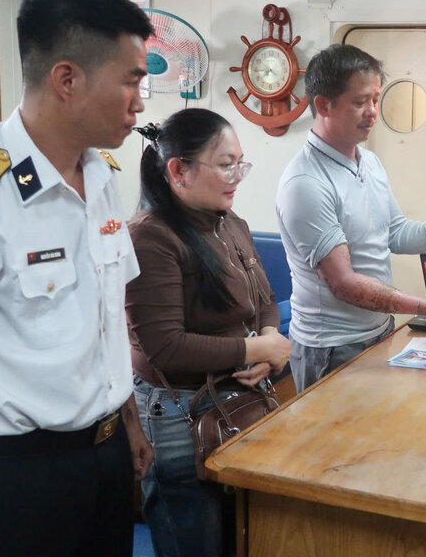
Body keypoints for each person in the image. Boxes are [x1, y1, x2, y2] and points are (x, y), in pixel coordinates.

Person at [0, 0, 153, 557]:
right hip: (16, 476)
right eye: (131, 81)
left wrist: (128, 422)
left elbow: (107, 316)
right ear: (67, 79)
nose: (140, 102)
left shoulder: (102, 175)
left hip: (106, 458)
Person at [126, 108, 291, 557]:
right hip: (180, 414)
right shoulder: (150, 237)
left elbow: (265, 300)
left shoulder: (230, 223)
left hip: (235, 403)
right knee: (193, 541)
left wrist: (265, 344)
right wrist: (259, 347)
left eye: (240, 164)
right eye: (224, 164)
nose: (236, 176)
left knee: (242, 538)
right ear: (178, 170)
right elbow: (166, 348)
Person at [276, 44, 426, 393]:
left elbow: (396, 234)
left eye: (375, 99)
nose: (373, 112)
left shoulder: (368, 162)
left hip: (378, 332)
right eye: (360, 102)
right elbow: (343, 283)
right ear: (323, 105)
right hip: (332, 347)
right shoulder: (306, 183)